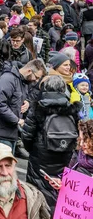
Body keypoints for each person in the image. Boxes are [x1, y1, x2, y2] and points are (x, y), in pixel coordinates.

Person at [20, 75, 80, 213]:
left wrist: (34, 151)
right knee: (59, 191)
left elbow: (27, 136)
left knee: (36, 193)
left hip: (40, 157)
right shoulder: (72, 109)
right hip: (65, 156)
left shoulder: (37, 108)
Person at [0, 59, 47, 152]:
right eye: (36, 77)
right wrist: (17, 120)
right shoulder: (8, 79)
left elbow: (17, 98)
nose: (36, 81)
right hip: (0, 132)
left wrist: (26, 102)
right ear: (29, 71)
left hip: (10, 132)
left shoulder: (23, 81)